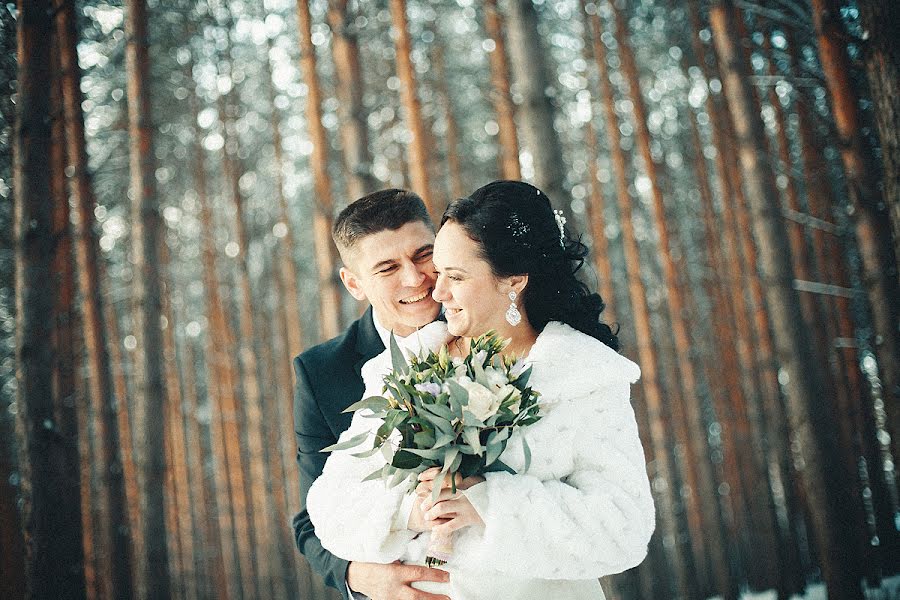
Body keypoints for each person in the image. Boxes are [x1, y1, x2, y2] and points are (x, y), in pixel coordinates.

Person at [307, 180, 655, 600]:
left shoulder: (582, 377)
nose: (435, 291)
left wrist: (490, 505)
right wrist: (408, 513)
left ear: (512, 281)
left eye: (454, 275)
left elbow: (624, 528)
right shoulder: (406, 367)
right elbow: (328, 507)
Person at [292, 189, 454, 600]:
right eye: (387, 268)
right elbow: (310, 518)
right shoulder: (322, 372)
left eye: (423, 254)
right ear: (354, 283)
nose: (415, 278)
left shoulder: (490, 326)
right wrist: (356, 577)